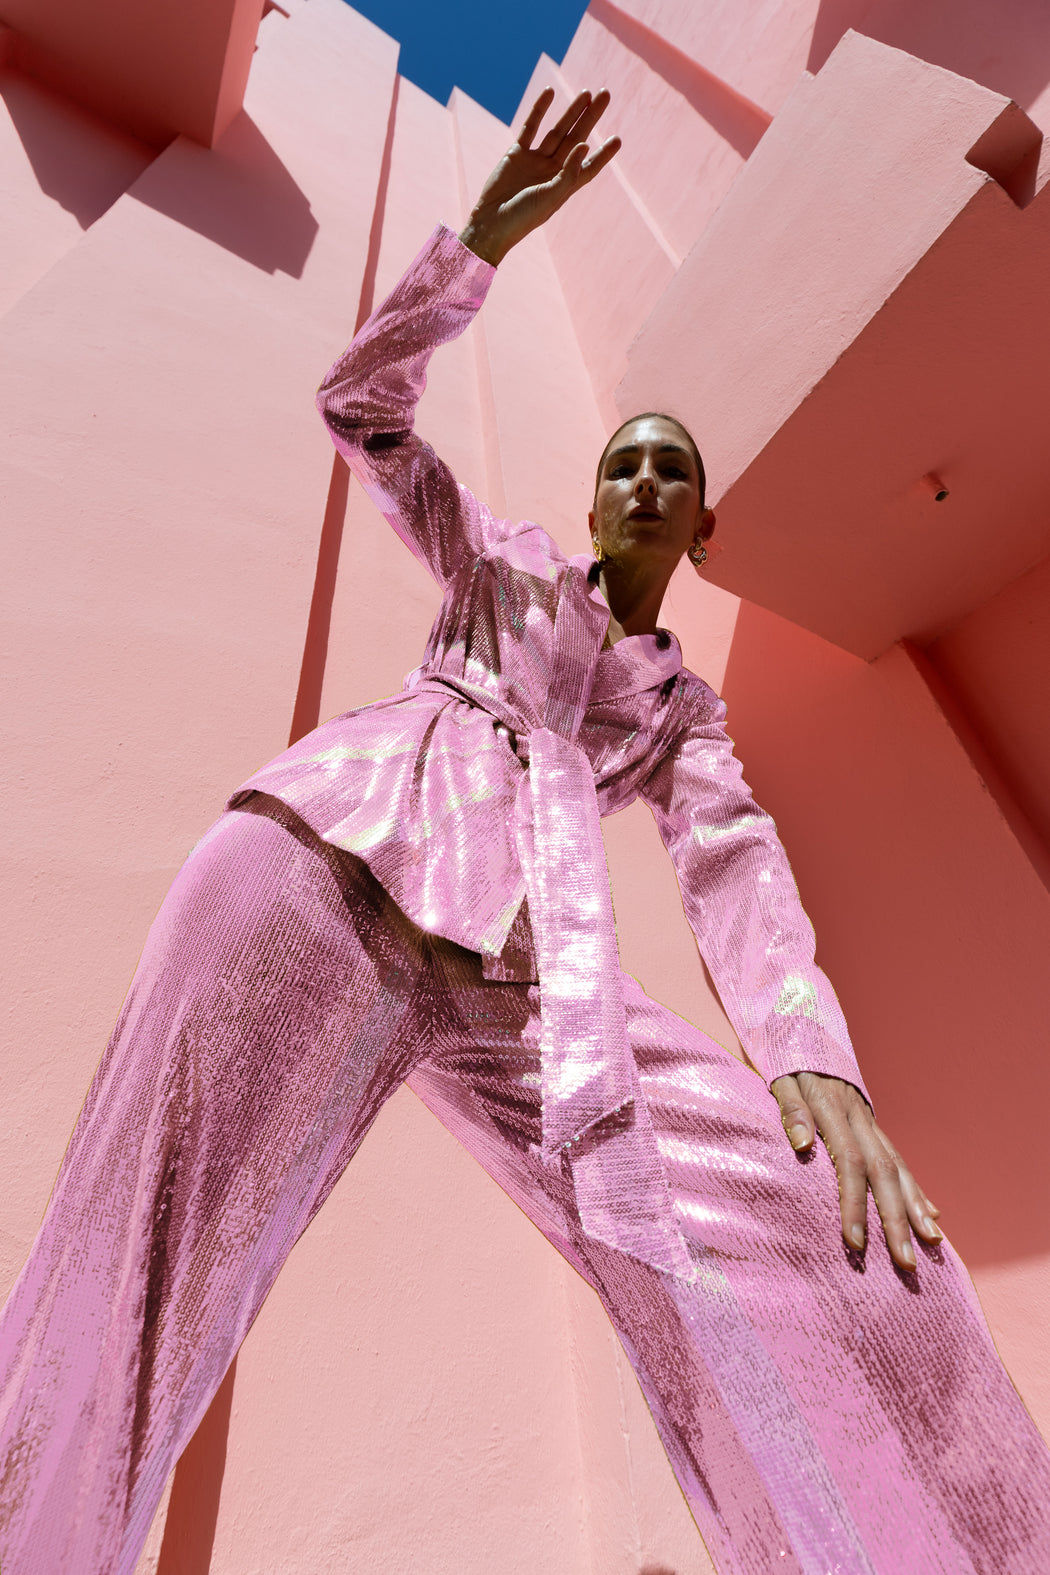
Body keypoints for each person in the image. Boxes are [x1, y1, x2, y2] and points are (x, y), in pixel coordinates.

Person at [1, 87, 1048, 1575]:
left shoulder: (679, 711)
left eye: (668, 468)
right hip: (322, 863)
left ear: (700, 532)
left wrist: (816, 1070)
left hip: (529, 983)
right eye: (620, 457)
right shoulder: (499, 573)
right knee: (138, 1279)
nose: (637, 477)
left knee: (832, 1247)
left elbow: (734, 868)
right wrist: (470, 253)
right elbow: (361, 412)